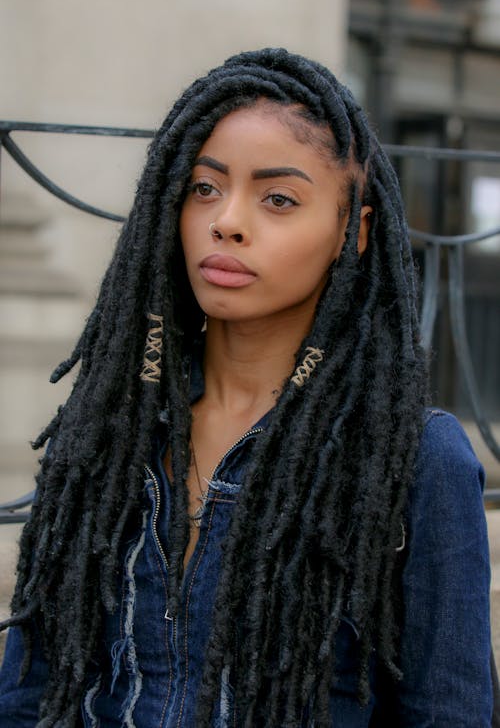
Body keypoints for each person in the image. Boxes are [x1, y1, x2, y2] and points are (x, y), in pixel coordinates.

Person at [0, 48, 493, 727]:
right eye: (204, 188)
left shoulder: (415, 458)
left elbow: (449, 710)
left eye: (278, 198)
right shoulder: (109, 428)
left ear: (354, 233)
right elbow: (30, 693)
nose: (226, 220)